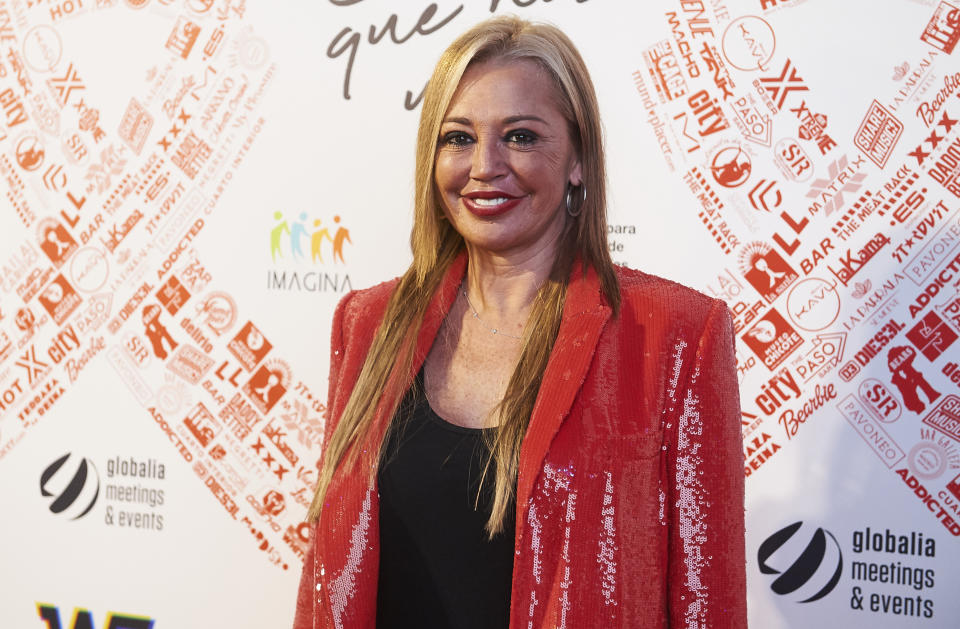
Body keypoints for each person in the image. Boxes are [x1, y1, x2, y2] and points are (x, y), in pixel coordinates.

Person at [294, 15, 746, 629]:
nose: (485, 166)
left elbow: (708, 607)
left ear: (578, 159)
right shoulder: (368, 323)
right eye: (458, 138)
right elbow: (326, 584)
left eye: (522, 136)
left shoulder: (675, 336)